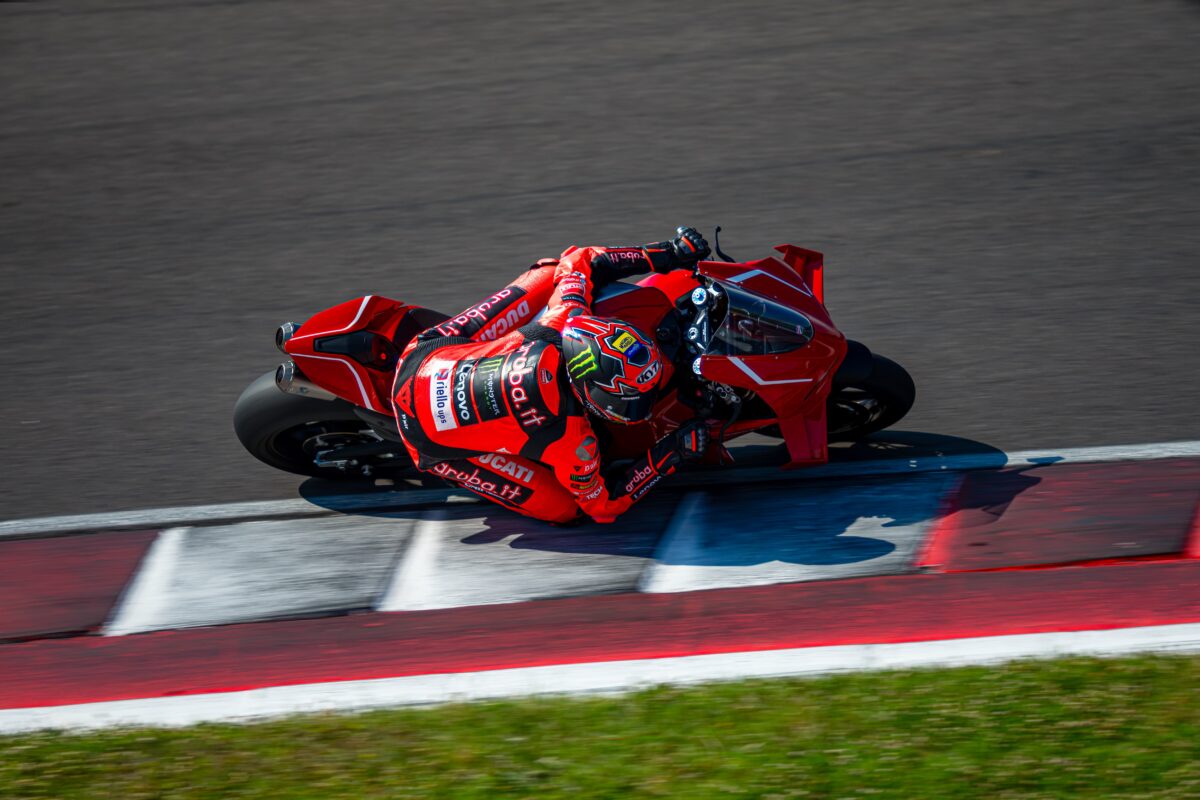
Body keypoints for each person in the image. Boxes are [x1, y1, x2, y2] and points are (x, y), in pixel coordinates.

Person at [390, 226, 713, 524]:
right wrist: (670, 455)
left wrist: (670, 251)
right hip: (425, 440)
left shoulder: (563, 319)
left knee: (551, 271)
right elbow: (603, 507)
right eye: (628, 398)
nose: (635, 406)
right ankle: (451, 469)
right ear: (590, 389)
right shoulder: (573, 442)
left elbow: (581, 258)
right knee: (566, 511)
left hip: (421, 357)